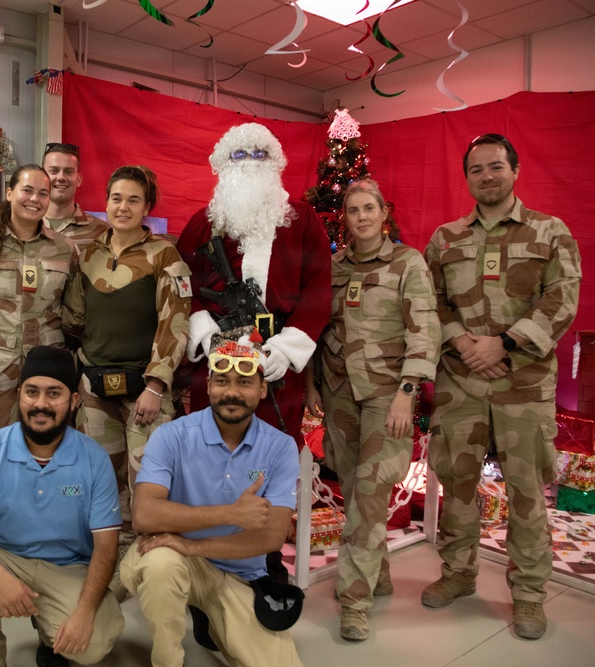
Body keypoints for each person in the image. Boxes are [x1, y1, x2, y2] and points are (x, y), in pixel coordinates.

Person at [422, 134, 581, 639]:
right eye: (476, 169)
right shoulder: (445, 238)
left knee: (527, 492)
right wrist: (466, 345)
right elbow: (431, 303)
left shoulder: (550, 232)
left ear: (515, 170)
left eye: (496, 166)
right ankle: (458, 574)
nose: (486, 176)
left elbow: (562, 298)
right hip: (461, 383)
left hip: (524, 384)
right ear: (466, 178)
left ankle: (530, 596)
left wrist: (504, 344)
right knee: (458, 485)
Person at [176, 121, 331, 581]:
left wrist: (285, 349)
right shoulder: (204, 223)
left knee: (271, 458)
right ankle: (209, 557)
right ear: (223, 164)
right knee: (213, 455)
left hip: (277, 369)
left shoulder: (302, 220)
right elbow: (182, 286)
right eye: (238, 155)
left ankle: (264, 558)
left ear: (276, 163)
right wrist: (208, 335)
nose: (248, 165)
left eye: (258, 154)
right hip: (219, 364)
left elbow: (318, 289)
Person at [120, 331, 304, 667]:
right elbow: (144, 514)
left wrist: (194, 546)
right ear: (207, 386)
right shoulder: (171, 435)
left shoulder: (281, 447)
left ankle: (208, 616)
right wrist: (231, 514)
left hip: (236, 575)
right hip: (170, 556)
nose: (231, 392)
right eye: (222, 380)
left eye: (244, 382)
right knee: (162, 565)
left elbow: (271, 537)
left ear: (262, 390)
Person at [309, 179, 440, 641]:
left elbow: (424, 330)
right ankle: (376, 572)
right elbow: (314, 325)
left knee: (368, 493)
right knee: (353, 488)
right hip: (340, 392)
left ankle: (354, 602)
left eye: (370, 208)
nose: (361, 217)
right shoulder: (334, 266)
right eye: (353, 210)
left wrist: (408, 392)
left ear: (385, 213)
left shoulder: (408, 262)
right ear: (343, 219)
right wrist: (310, 384)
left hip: (388, 395)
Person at [0, 346, 125, 667]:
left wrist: (82, 613)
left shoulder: (94, 459)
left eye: (54, 393)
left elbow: (106, 547)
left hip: (68, 567)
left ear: (74, 401)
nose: (41, 404)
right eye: (32, 392)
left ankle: (48, 630)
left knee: (93, 643)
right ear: (19, 394)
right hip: (4, 557)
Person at [64, 165, 191, 517]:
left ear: (146, 207)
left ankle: (145, 564)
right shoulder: (89, 255)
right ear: (105, 202)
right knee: (101, 485)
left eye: (133, 200)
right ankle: (111, 558)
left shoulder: (164, 256)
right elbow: (74, 318)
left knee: (148, 488)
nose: (123, 207)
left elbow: (175, 322)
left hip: (145, 392)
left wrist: (155, 385)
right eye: (116, 198)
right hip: (94, 387)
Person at [0, 164, 79, 458]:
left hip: (46, 367)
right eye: (27, 190)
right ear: (10, 193)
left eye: (43, 193)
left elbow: (73, 312)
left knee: (46, 451)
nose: (35, 199)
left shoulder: (65, 249)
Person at [41, 142, 108, 248]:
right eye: (54, 171)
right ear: (42, 178)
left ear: (78, 179)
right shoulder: (26, 226)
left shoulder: (102, 232)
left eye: (68, 171)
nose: (61, 177)